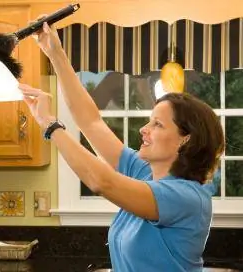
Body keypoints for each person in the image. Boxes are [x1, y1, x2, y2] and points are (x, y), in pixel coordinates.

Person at [19, 22, 225, 272]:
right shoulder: (144, 173)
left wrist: (49, 124)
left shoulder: (187, 198)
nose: (143, 129)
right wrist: (55, 53)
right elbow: (90, 121)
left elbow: (101, 181)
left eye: (157, 124)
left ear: (186, 139)